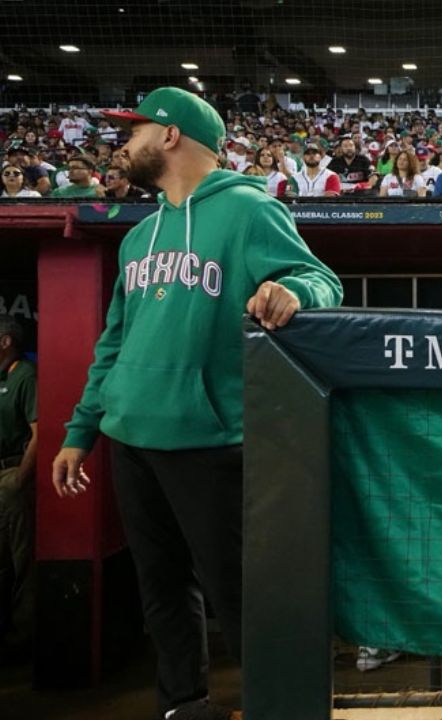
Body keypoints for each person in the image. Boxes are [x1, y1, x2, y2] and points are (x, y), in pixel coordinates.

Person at [51, 87, 343, 720]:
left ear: (172, 135)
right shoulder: (139, 235)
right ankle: (183, 705)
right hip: (131, 435)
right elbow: (114, 342)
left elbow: (322, 278)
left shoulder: (246, 210)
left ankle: (275, 706)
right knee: (160, 589)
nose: (122, 144)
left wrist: (291, 289)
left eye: (134, 131)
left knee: (237, 593)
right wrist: (82, 431)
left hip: (209, 441)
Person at [0, 315, 36, 662]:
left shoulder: (25, 376)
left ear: (6, 341)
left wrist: (18, 479)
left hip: (11, 476)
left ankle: (24, 637)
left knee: (20, 557)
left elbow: (38, 433)